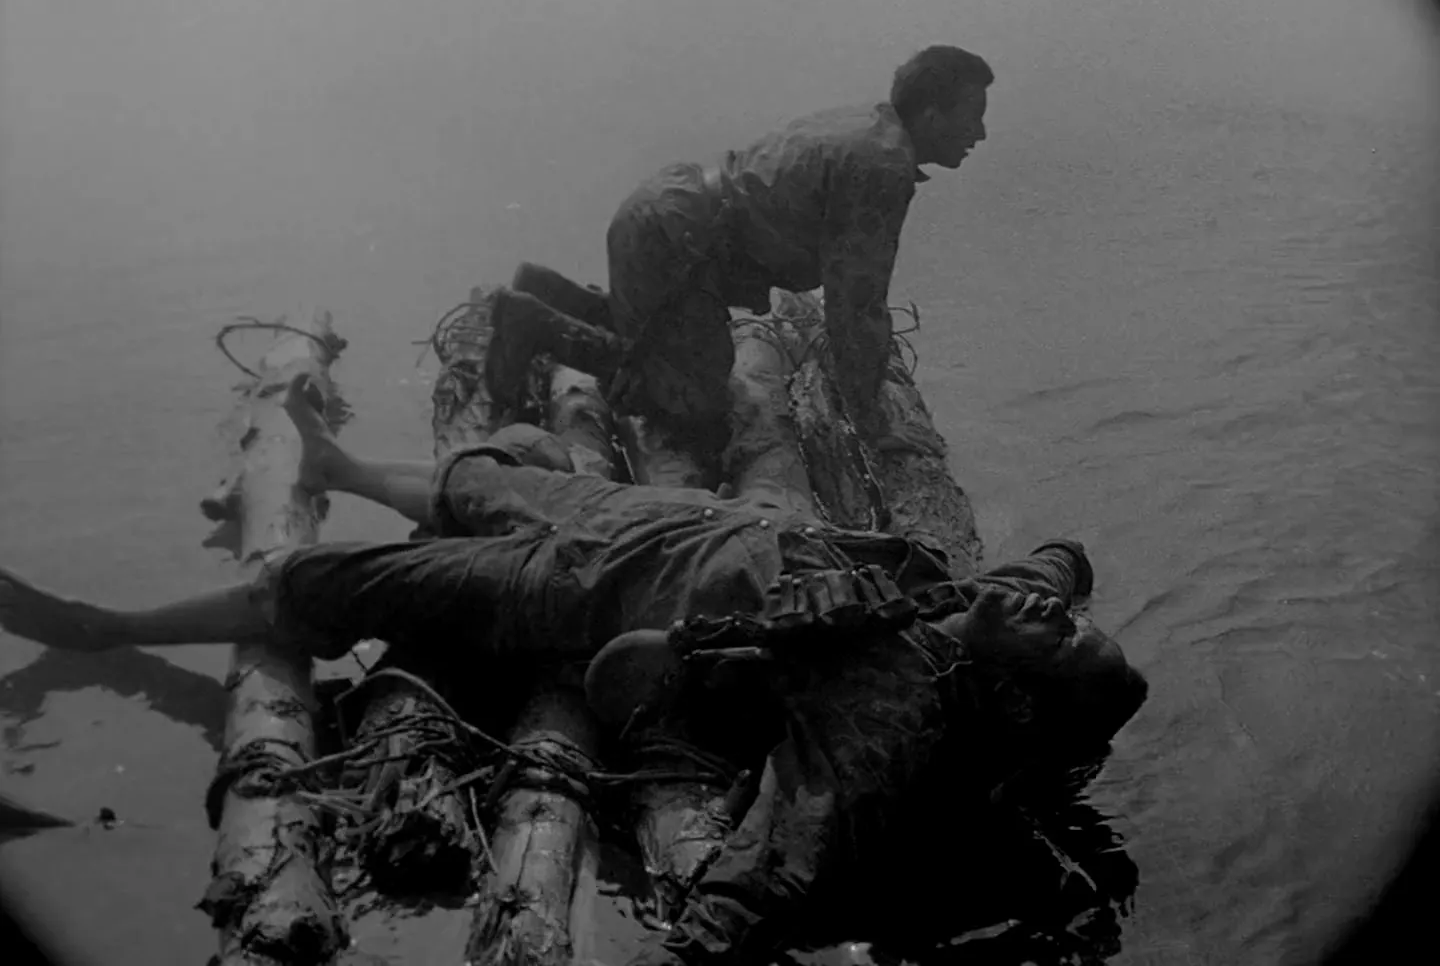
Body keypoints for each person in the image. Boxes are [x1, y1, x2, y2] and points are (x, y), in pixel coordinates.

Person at [0, 374, 1147, 965]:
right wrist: (1059, 593)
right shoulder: (975, 604)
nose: (1044, 607)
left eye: (1054, 633)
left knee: (332, 587)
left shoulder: (884, 709)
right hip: (660, 519)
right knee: (484, 481)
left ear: (1011, 696)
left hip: (585, 594)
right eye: (1061, 615)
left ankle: (102, 629)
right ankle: (340, 463)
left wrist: (712, 933)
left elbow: (781, 857)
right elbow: (1061, 560)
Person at [484, 44, 993, 468]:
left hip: (661, 217)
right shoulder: (881, 166)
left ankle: (546, 290)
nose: (981, 133)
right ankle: (534, 324)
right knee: (692, 403)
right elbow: (857, 304)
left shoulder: (870, 126)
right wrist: (872, 423)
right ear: (932, 115)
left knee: (664, 347)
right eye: (973, 116)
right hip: (674, 248)